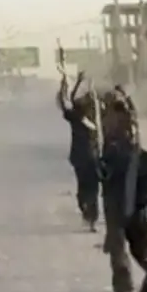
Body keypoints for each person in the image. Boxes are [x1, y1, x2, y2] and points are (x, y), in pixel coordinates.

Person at [100, 91, 147, 292]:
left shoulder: (135, 155)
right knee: (123, 250)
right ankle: (124, 290)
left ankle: (127, 289)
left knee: (137, 250)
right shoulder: (116, 143)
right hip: (121, 204)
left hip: (129, 206)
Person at [57, 72, 100, 231]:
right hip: (84, 156)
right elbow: (65, 103)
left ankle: (91, 217)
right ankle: (89, 215)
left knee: (90, 188)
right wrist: (64, 87)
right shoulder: (78, 115)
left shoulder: (95, 113)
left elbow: (65, 102)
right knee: (88, 188)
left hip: (91, 156)